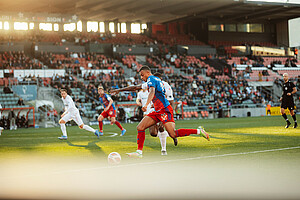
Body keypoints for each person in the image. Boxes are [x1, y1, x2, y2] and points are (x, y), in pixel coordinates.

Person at [111, 66, 209, 158]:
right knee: (140, 127)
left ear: (148, 72)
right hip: (157, 110)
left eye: (142, 74)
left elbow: (152, 91)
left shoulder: (151, 79)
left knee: (173, 134)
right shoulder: (152, 81)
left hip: (164, 110)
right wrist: (119, 90)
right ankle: (139, 152)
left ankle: (199, 131)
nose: (141, 77)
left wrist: (146, 105)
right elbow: (136, 87)